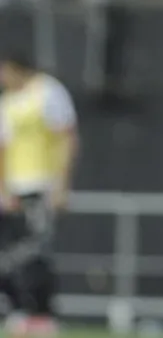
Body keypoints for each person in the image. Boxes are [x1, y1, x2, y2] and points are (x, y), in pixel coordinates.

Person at [0, 53, 79, 336]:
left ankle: (42, 314)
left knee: (35, 252)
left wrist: (61, 185)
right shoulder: (7, 102)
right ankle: (19, 310)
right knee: (9, 254)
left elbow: (67, 137)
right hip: (13, 190)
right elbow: (3, 149)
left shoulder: (48, 92)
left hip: (40, 186)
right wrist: (4, 188)